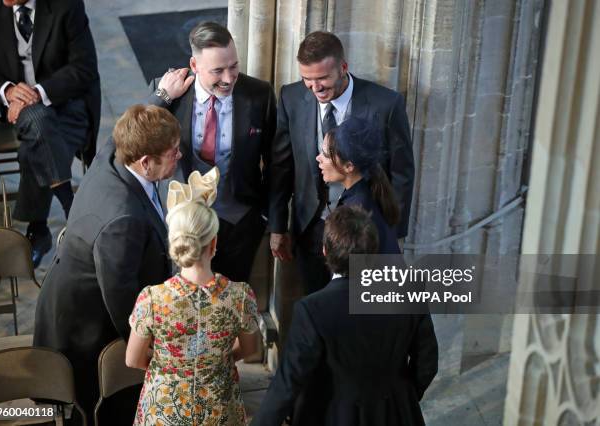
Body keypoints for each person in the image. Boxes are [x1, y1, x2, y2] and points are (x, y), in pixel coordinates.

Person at [33, 104, 180, 424]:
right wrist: (150, 351)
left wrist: (161, 98)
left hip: (69, 300)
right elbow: (121, 298)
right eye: (173, 152)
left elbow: (123, 134)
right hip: (85, 333)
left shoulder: (112, 157)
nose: (178, 156)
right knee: (101, 411)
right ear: (145, 162)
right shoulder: (123, 219)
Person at [253, 205, 438, 426]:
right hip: (395, 414)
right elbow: (427, 363)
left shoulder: (312, 310)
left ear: (325, 251)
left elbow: (288, 382)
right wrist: (402, 397)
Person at [268, 30, 414, 294]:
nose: (315, 88)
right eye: (307, 80)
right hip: (310, 229)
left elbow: (402, 174)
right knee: (316, 303)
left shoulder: (387, 104)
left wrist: (395, 234)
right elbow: (281, 167)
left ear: (343, 68)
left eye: (322, 78)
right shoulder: (290, 97)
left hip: (364, 233)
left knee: (359, 310)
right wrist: (278, 226)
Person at [126, 167, 261, 425]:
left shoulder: (152, 299)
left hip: (164, 412)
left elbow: (133, 359)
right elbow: (251, 350)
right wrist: (215, 359)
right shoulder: (239, 296)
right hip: (219, 411)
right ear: (213, 243)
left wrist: (172, 364)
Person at [148, 21, 277, 283]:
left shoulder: (259, 94)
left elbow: (275, 162)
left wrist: (266, 215)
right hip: (181, 224)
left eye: (234, 67)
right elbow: (136, 140)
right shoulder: (169, 92)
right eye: (218, 71)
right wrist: (161, 98)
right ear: (194, 66)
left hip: (239, 225)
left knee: (230, 300)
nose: (229, 78)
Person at [0, 0, 101, 267]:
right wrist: (7, 90)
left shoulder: (67, 5)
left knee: (34, 143)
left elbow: (83, 68)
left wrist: (38, 93)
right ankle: (72, 209)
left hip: (67, 107)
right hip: (20, 110)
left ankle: (38, 227)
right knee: (37, 122)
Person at [317, 117, 401, 253]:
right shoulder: (371, 188)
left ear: (349, 166)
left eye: (326, 155)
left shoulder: (357, 214)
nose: (318, 158)